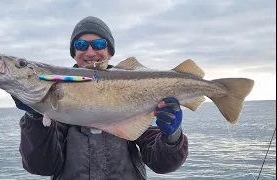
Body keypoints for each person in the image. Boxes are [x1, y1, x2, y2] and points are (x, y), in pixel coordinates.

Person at [12, 16, 189, 180]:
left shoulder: (135, 98)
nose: (90, 52)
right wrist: (35, 118)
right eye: (81, 45)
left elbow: (162, 164)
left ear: (109, 52)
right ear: (74, 53)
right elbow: (41, 166)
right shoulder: (57, 106)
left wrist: (172, 136)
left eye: (98, 44)